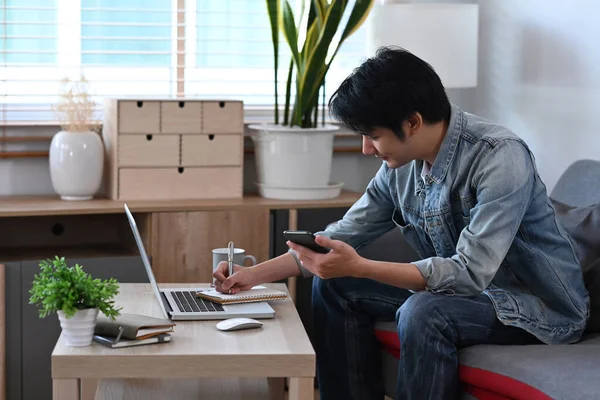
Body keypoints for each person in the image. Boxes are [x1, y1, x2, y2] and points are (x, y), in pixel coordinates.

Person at [213, 46, 590, 400]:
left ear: (412, 122)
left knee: (423, 311)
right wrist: (251, 276)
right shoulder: (399, 167)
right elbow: (342, 235)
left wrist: (360, 265)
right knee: (336, 285)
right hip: (468, 296)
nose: (365, 148)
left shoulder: (500, 158)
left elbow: (468, 274)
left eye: (373, 136)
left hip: (536, 309)